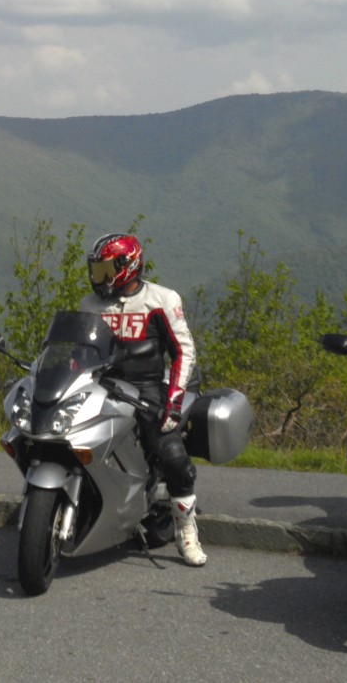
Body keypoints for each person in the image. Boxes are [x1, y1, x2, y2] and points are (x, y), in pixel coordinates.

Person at [79, 233, 207, 566]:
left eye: (106, 269)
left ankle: (186, 528)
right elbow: (76, 350)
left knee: (174, 456)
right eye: (97, 270)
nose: (99, 277)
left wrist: (173, 402)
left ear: (128, 266)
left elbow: (184, 350)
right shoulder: (89, 305)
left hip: (147, 388)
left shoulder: (161, 299)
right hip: (101, 385)